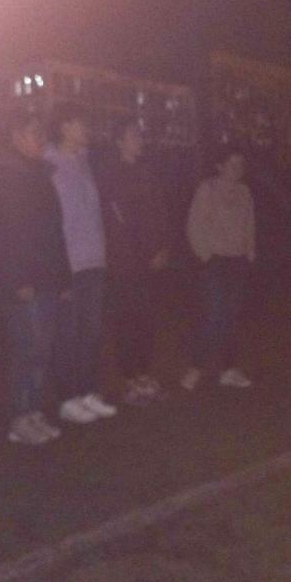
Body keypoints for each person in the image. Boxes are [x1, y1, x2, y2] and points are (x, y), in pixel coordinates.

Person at [0, 109, 69, 445]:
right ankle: (19, 416)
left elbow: (54, 231)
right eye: (33, 133)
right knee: (27, 348)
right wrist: (17, 279)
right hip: (25, 280)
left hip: (47, 276)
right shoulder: (7, 177)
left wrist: (63, 277)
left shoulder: (40, 176)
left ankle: (33, 411)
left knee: (41, 348)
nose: (41, 140)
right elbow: (6, 234)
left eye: (42, 133)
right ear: (15, 137)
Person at [45, 104, 118, 423]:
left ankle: (88, 391)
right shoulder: (49, 163)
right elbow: (50, 219)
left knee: (91, 332)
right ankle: (67, 397)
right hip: (69, 261)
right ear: (64, 127)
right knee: (68, 333)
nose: (86, 129)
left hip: (93, 259)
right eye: (80, 123)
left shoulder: (84, 160)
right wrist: (56, 263)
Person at [96, 118, 170, 406]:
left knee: (146, 320)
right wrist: (139, 251)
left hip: (149, 261)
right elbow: (119, 221)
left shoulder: (146, 173)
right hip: (125, 261)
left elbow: (159, 212)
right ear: (120, 141)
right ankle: (130, 379)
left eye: (140, 134)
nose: (139, 139)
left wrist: (161, 247)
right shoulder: (111, 175)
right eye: (133, 135)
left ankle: (144, 373)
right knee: (126, 320)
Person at [182, 146, 256, 391]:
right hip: (214, 261)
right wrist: (206, 256)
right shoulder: (208, 189)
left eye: (240, 164)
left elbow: (249, 224)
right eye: (232, 164)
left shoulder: (244, 192)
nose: (237, 169)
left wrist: (249, 251)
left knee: (231, 316)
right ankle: (196, 366)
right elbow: (195, 225)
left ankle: (229, 368)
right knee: (213, 314)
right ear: (220, 166)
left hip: (238, 261)